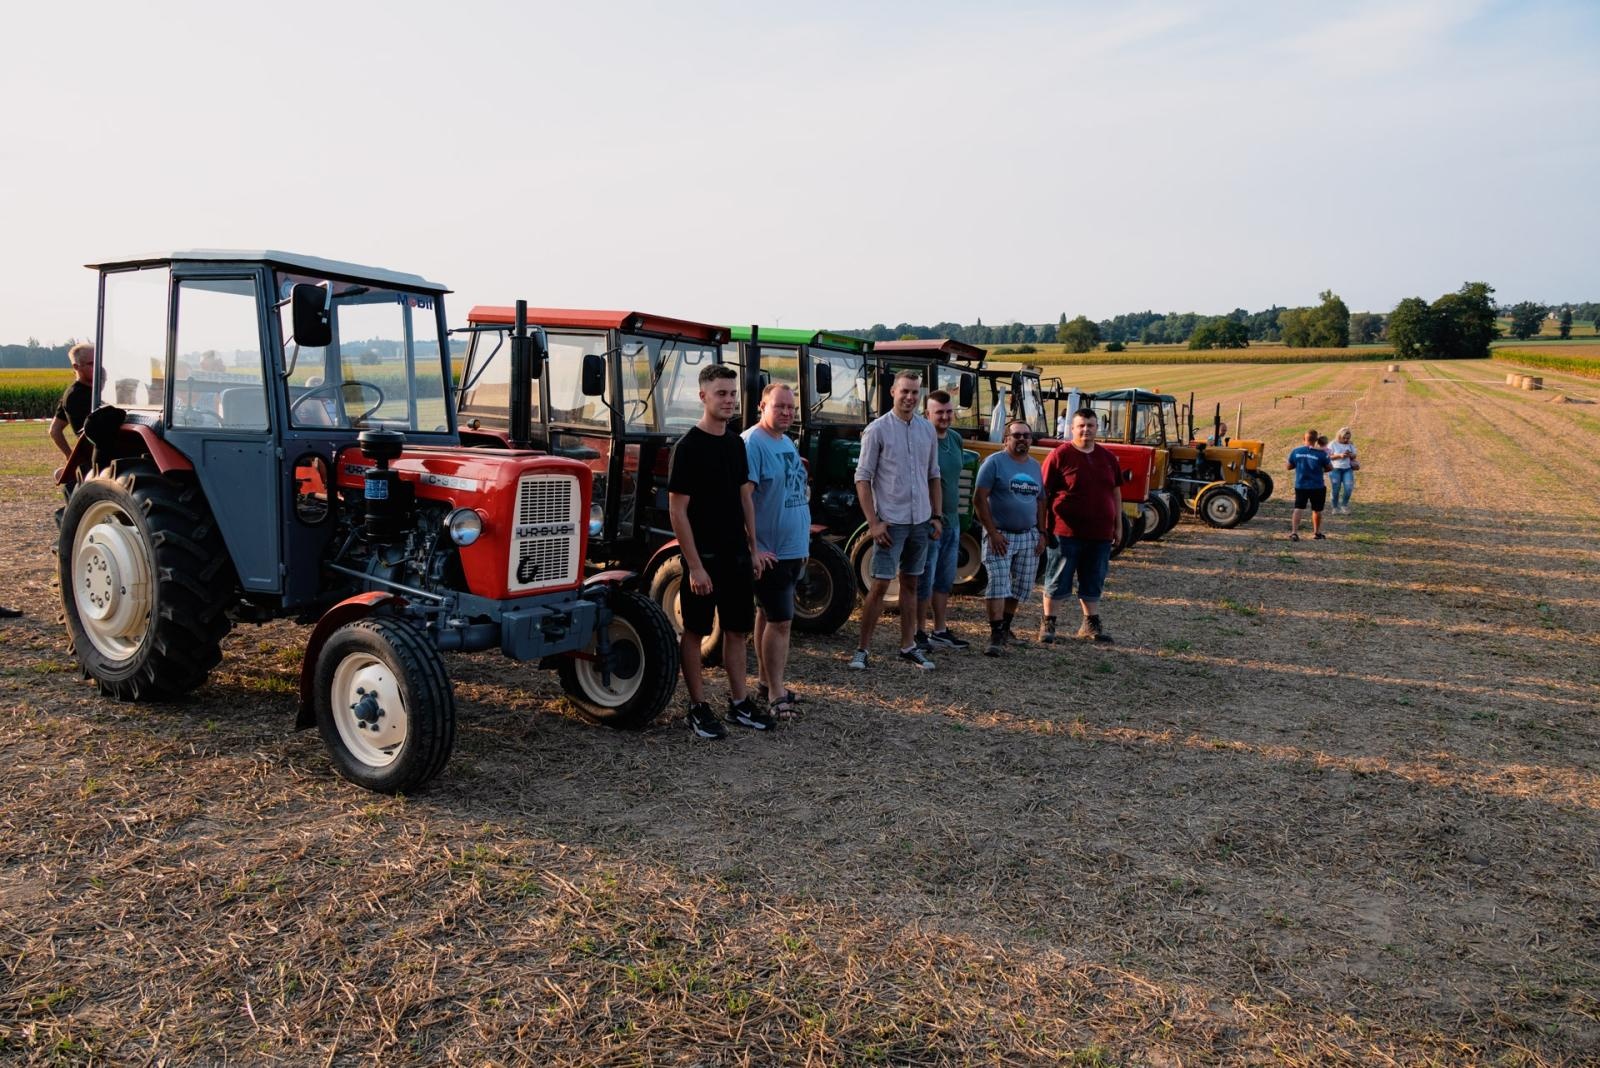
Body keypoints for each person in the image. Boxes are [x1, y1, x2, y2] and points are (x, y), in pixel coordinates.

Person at [667, 364, 774, 738]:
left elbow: (746, 497)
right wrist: (695, 566)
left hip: (737, 557)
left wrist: (754, 548)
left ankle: (739, 703)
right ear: (703, 397)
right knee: (695, 632)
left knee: (735, 631)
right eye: (721, 394)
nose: (729, 400)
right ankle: (697, 707)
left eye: (732, 394)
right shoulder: (688, 448)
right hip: (705, 559)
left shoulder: (735, 443)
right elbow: (677, 511)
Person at [848, 370, 942, 671]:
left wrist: (936, 516)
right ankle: (862, 649)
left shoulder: (926, 430)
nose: (910, 398)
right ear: (893, 392)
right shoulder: (877, 430)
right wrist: (874, 523)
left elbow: (933, 476)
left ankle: (908, 645)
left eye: (915, 392)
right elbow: (862, 478)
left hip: (921, 521)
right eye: (905, 391)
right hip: (892, 522)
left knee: (912, 583)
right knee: (879, 585)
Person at [742, 383, 811, 720]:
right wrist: (753, 547)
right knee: (781, 622)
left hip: (792, 548)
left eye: (791, 408)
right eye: (780, 406)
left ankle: (765, 681)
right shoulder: (752, 443)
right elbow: (742, 501)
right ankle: (776, 693)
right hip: (771, 552)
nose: (787, 413)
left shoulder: (785, 441)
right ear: (762, 406)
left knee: (766, 615)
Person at [1039, 408, 1124, 644]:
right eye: (1081, 426)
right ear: (1072, 428)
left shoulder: (1107, 458)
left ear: (1098, 428)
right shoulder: (1060, 455)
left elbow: (1116, 492)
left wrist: (1118, 524)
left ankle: (1090, 623)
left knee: (1094, 578)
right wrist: (1042, 527)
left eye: (1091, 425)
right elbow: (1043, 494)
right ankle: (1049, 623)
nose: (1086, 429)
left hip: (1100, 533)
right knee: (1057, 577)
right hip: (1065, 532)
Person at [974, 420, 1046, 656]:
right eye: (1017, 435)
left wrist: (1042, 533)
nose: (1022, 439)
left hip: (1028, 535)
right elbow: (979, 498)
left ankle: (1006, 627)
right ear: (1006, 439)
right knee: (998, 584)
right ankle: (995, 635)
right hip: (1000, 535)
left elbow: (1041, 501)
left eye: (1026, 435)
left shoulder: (1035, 466)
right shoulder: (994, 463)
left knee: (1022, 585)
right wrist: (992, 532)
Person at [915, 390, 970, 652]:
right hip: (928, 521)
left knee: (945, 579)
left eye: (949, 411)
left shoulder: (956, 440)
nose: (946, 416)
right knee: (924, 578)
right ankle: (918, 631)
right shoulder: (921, 440)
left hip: (952, 520)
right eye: (940, 412)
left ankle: (939, 629)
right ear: (927, 414)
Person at [49, 342, 95, 485]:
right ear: (76, 367)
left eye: (99, 362)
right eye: (91, 364)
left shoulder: (100, 389)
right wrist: (71, 458)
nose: (98, 367)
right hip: (97, 456)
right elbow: (55, 431)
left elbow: (54, 429)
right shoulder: (75, 396)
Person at [1287, 428, 1332, 541]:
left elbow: (1288, 466)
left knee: (1298, 508)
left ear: (1304, 439)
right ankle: (1316, 533)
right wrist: (1320, 470)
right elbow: (1330, 468)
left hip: (1301, 485)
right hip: (1317, 486)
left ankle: (1294, 532)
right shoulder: (1322, 454)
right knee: (1317, 510)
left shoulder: (1296, 451)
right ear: (1316, 440)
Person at [1328, 426, 1358, 514]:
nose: (1346, 439)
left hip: (1347, 469)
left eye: (1348, 438)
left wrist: (1350, 455)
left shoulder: (1350, 444)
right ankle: (1335, 507)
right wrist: (1339, 455)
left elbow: (1355, 455)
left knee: (1348, 488)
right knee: (1335, 489)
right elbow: (1329, 456)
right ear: (1339, 436)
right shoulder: (1333, 444)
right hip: (1335, 469)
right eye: (1344, 438)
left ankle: (1344, 506)